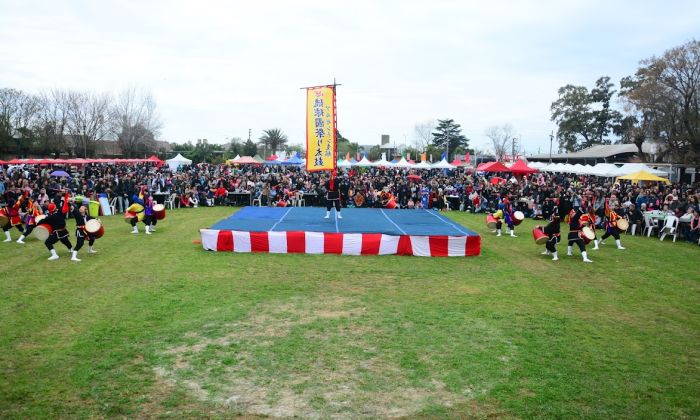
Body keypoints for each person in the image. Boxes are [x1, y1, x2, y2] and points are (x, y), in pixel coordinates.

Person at [37, 197, 73, 261]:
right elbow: (66, 206)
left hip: (57, 232)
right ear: (55, 207)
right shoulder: (60, 211)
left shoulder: (50, 217)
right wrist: (68, 202)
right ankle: (71, 249)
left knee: (48, 242)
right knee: (64, 240)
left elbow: (41, 221)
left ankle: (55, 255)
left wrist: (37, 222)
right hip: (63, 230)